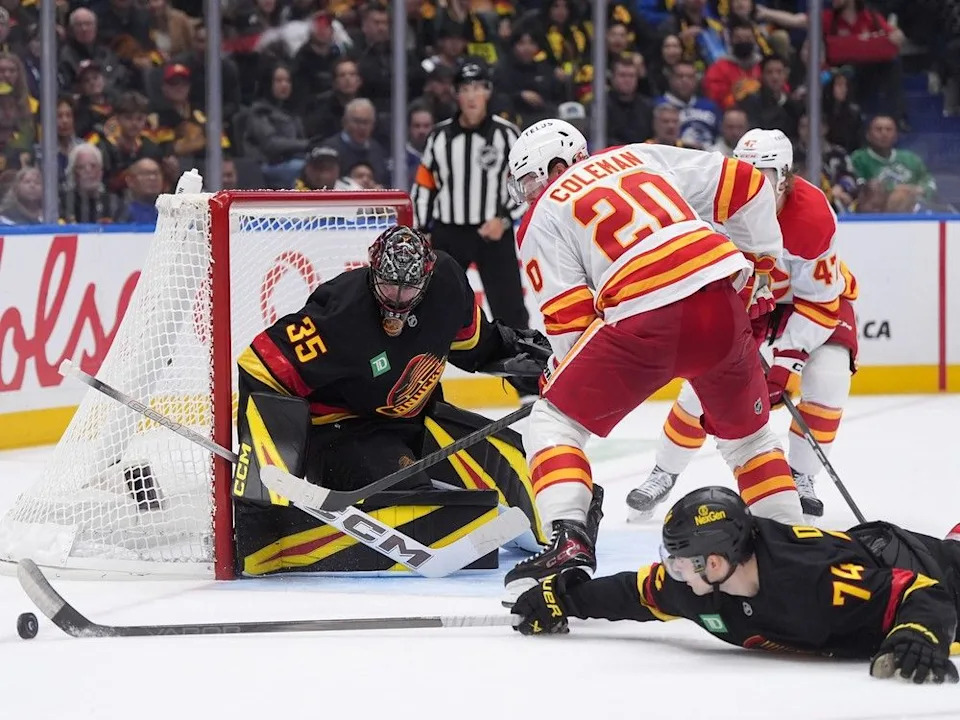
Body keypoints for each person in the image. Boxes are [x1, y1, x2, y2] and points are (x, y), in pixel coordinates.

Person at [502, 119, 803, 599]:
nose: (530, 192)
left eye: (531, 178)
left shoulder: (542, 214)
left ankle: (569, 539)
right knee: (749, 443)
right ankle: (794, 549)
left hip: (646, 318)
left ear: (556, 166)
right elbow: (747, 184)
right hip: (722, 299)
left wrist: (560, 376)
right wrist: (766, 266)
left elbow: (569, 319)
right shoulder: (638, 153)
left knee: (553, 423)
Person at [233, 225, 549, 575]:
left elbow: (473, 344)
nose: (397, 298)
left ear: (427, 278)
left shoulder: (447, 281)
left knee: (533, 482)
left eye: (409, 287)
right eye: (388, 285)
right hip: (346, 432)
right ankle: (278, 541)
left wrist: (522, 353)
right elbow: (259, 365)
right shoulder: (340, 313)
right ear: (373, 271)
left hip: (420, 422)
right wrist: (262, 479)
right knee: (418, 506)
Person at [627, 130, 859, 522]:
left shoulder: (814, 215)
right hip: (750, 299)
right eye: (744, 171)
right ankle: (663, 471)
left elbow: (820, 302)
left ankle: (801, 474)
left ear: (784, 175)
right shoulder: (718, 205)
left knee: (830, 376)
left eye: (763, 173)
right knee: (702, 386)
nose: (751, 182)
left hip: (811, 303)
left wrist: (786, 363)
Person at [512, 485, 960, 686]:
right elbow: (635, 593)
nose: (672, 571)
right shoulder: (698, 585)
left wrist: (919, 633)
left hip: (933, 569)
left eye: (681, 561)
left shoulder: (812, 582)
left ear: (716, 561)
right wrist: (562, 596)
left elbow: (919, 592)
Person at [411, 58, 528, 329]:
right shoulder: (438, 137)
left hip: (493, 231)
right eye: (465, 88)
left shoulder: (507, 135)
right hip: (448, 233)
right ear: (456, 94)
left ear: (488, 92)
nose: (472, 95)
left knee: (510, 309)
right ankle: (423, 368)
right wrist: (422, 230)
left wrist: (505, 219)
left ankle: (521, 372)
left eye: (478, 87)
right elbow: (425, 186)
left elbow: (524, 186)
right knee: (431, 307)